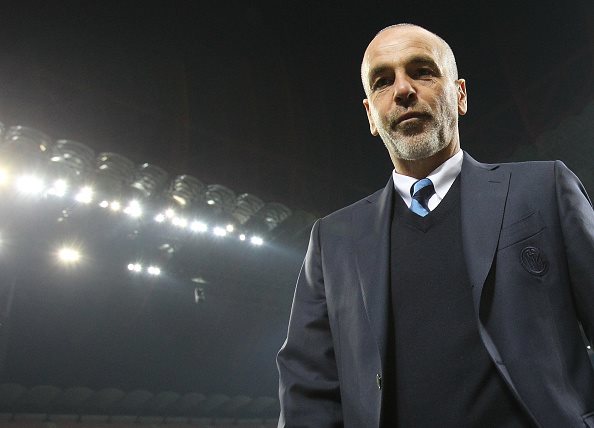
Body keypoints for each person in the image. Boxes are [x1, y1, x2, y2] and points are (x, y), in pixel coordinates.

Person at [276, 23, 594, 428]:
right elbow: (307, 391)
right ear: (371, 115)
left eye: (422, 72)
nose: (402, 90)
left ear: (460, 95)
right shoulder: (332, 239)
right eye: (382, 81)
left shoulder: (543, 188)